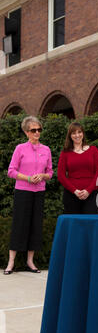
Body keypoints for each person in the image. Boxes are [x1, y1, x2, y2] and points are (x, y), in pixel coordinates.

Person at [4, 116, 53, 275]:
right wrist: (29, 178)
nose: (37, 132)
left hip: (39, 192)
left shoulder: (46, 149)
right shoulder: (20, 148)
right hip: (23, 191)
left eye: (39, 129)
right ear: (26, 132)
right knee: (19, 224)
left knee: (35, 225)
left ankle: (30, 261)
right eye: (33, 130)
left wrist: (42, 176)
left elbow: (50, 172)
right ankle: (11, 262)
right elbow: (11, 171)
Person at [57, 122, 98, 214]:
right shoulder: (65, 153)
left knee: (90, 223)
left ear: (83, 133)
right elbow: (61, 175)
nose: (77, 135)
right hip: (71, 195)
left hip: (91, 194)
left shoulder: (93, 150)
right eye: (73, 133)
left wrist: (88, 190)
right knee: (73, 224)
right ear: (70, 136)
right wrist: (75, 191)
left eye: (79, 132)